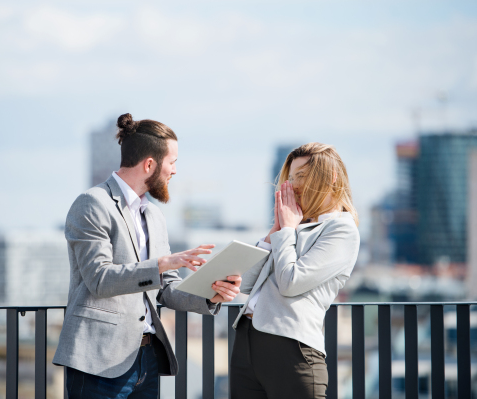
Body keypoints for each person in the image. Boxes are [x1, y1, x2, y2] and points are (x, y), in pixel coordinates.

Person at [53, 113, 242, 399]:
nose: (175, 171)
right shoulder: (92, 204)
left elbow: (165, 288)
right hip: (99, 362)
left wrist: (210, 295)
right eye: (172, 162)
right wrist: (163, 264)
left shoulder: (153, 215)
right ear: (150, 164)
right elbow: (99, 279)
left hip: (147, 359)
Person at [230, 142, 360, 399]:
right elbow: (244, 283)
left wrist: (287, 231)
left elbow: (291, 282)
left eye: (301, 176)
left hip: (292, 349)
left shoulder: (342, 230)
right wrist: (273, 233)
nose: (294, 185)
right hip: (248, 345)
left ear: (331, 177)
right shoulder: (294, 225)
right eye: (290, 178)